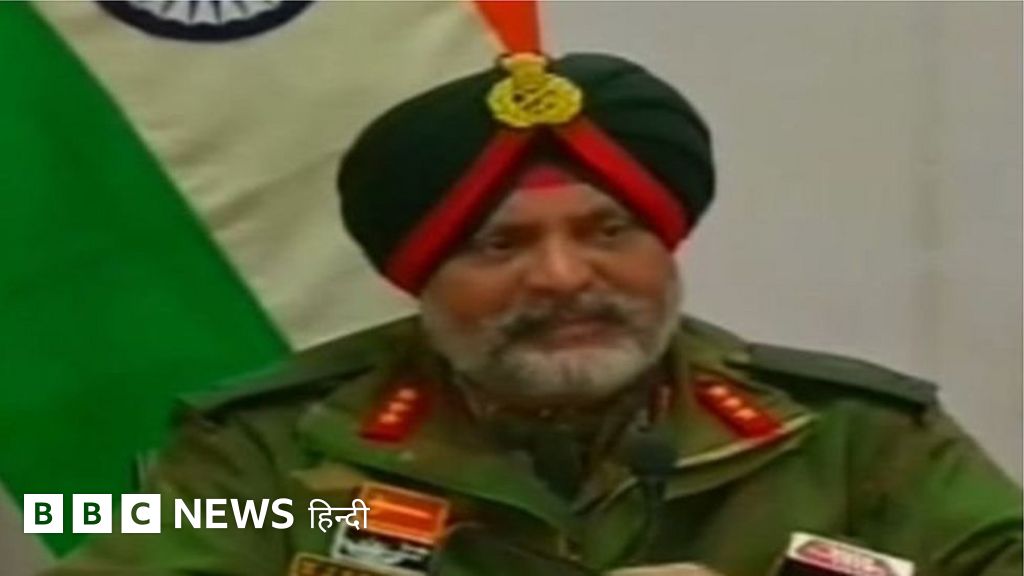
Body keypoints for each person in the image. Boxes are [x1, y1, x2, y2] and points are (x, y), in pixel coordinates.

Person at [46, 52, 1021, 576]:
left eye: (607, 231)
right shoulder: (263, 453)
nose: (562, 278)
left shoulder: (854, 438)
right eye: (499, 246)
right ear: (417, 280)